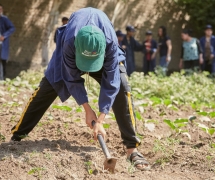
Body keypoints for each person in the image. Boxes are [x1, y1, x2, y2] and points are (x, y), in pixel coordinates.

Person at [10, 7, 150, 171]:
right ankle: (17, 136)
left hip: (104, 55)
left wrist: (100, 120)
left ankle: (132, 149)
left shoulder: (110, 43)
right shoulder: (69, 42)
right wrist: (87, 109)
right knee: (47, 86)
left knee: (123, 87)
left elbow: (111, 83)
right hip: (71, 52)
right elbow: (71, 78)